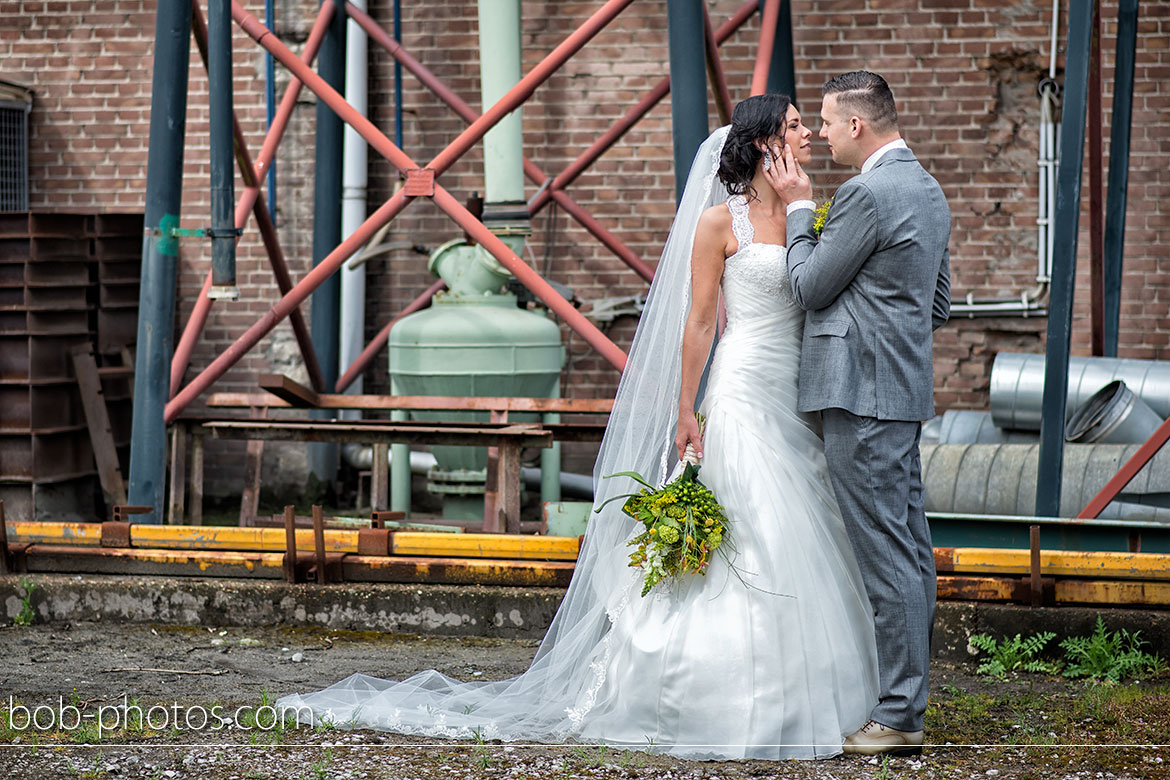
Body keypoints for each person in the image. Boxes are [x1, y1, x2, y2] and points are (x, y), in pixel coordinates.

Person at [276, 95, 879, 760]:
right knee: (753, 518)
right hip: (742, 385)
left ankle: (808, 688)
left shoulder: (806, 214)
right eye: (794, 124)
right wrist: (686, 407)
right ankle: (713, 695)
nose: (805, 134)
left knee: (802, 520)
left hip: (796, 390)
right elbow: (701, 322)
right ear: (765, 141)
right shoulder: (718, 222)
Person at [764, 70, 951, 756]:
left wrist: (796, 212)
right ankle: (906, 698)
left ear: (856, 126)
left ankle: (900, 714)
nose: (815, 133)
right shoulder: (927, 188)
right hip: (898, 393)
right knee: (908, 550)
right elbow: (936, 308)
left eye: (823, 121)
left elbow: (810, 286)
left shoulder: (865, 193)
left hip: (860, 398)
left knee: (886, 555)